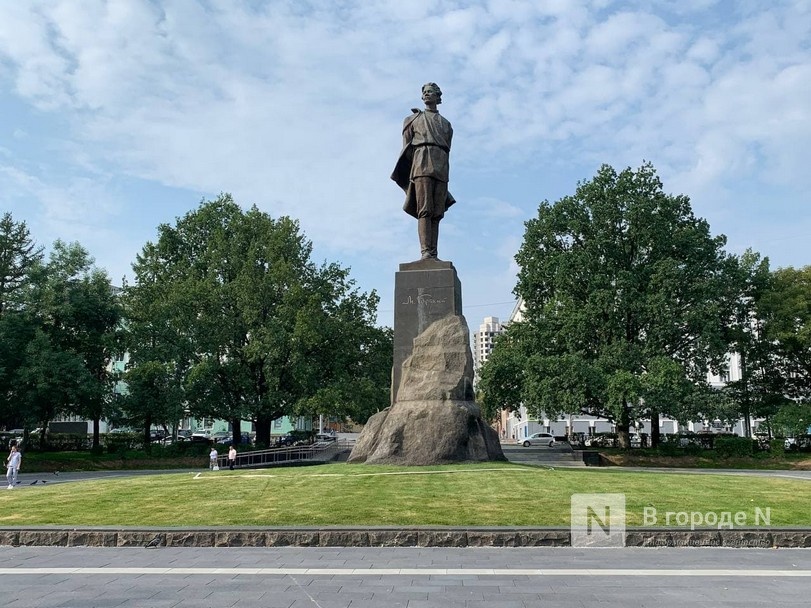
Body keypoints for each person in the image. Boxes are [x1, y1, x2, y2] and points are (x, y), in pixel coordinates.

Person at [391, 82, 455, 260]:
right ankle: (425, 252)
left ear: (438, 96)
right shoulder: (412, 120)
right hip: (421, 164)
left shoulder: (446, 125)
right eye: (425, 92)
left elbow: (447, 148)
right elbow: (406, 148)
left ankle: (433, 253)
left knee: (437, 212)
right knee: (424, 210)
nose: (427, 95)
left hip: (441, 166)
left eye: (430, 92)